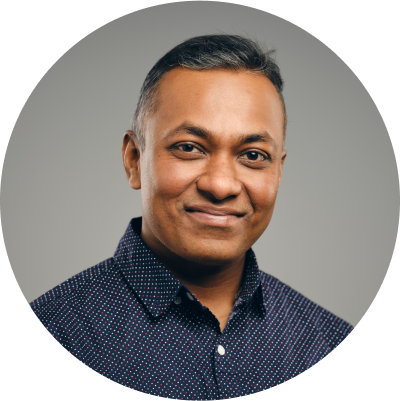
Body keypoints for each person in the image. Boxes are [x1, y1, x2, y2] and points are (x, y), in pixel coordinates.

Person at [30, 34, 353, 398]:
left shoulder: (328, 342)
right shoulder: (58, 330)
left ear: (278, 171)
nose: (220, 185)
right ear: (134, 160)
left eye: (253, 155)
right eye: (189, 148)